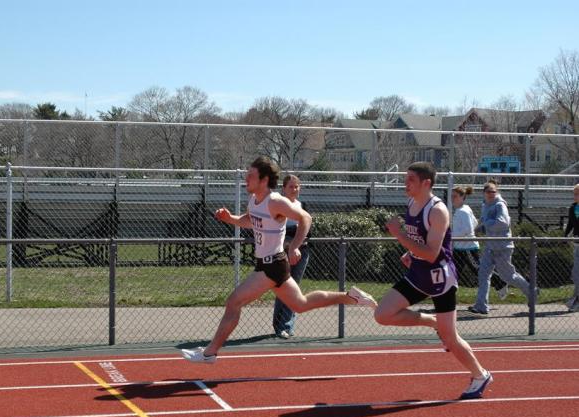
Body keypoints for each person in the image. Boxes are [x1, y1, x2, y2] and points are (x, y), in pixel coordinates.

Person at [182, 156, 377, 363]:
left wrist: (294, 246)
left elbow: (305, 218)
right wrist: (230, 218)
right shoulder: (255, 200)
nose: (246, 178)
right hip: (269, 264)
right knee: (301, 304)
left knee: (234, 302)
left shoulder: (275, 201)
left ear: (264, 179)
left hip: (271, 265)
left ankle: (210, 353)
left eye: (251, 175)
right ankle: (352, 297)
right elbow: (250, 220)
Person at [374, 162, 492, 400]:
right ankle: (432, 322)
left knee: (451, 338)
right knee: (382, 314)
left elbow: (431, 252)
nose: (405, 184)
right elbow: (420, 244)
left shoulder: (437, 211)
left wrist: (399, 236)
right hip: (418, 274)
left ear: (426, 183)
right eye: (405, 178)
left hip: (440, 280)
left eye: (411, 180)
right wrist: (410, 252)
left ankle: (480, 375)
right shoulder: (412, 203)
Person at [468, 180, 535, 315]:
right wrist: (479, 228)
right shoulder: (485, 205)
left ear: (496, 192)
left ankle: (531, 291)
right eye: (488, 192)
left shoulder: (500, 205)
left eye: (493, 191)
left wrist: (486, 224)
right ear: (484, 194)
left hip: (502, 247)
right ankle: (481, 306)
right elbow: (484, 221)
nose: (491, 194)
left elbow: (503, 223)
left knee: (508, 276)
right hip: (490, 247)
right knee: (483, 274)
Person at [451, 186, 508, 300]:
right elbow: (476, 223)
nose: (452, 198)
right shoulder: (463, 209)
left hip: (468, 248)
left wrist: (452, 236)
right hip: (459, 248)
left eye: (455, 196)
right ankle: (449, 295)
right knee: (453, 272)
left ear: (463, 197)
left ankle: (500, 283)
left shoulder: (463, 211)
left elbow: (468, 229)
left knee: (478, 269)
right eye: (452, 196)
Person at [272, 174, 310, 339]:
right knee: (283, 288)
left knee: (294, 289)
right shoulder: (278, 205)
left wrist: (299, 241)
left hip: (302, 252)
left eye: (297, 187)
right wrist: (291, 243)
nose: (294, 190)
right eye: (291, 187)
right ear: (283, 188)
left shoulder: (302, 206)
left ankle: (286, 326)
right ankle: (279, 324)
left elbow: (306, 228)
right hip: (282, 253)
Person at [563, 183, 579, 312]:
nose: (575, 196)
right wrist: (564, 236)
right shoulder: (573, 208)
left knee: (576, 273)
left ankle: (576, 300)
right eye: (574, 194)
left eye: (577, 194)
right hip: (576, 242)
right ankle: (575, 299)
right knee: (576, 273)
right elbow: (570, 224)